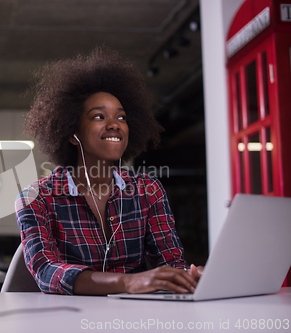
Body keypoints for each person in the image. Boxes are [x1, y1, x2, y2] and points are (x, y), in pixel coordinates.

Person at [15, 47, 202, 296]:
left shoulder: (149, 191)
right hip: (66, 318)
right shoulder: (36, 197)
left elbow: (169, 261)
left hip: (133, 318)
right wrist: (127, 282)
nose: (114, 125)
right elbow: (46, 271)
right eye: (99, 116)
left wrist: (186, 276)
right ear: (73, 134)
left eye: (122, 118)